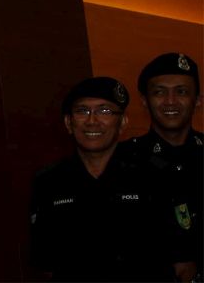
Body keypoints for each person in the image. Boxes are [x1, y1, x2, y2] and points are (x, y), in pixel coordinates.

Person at [29, 76, 195, 282]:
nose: (92, 121)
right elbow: (46, 265)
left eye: (105, 111)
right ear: (68, 123)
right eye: (82, 111)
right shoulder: (49, 182)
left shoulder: (157, 175)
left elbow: (184, 265)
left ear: (123, 122)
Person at [126, 53, 202, 280]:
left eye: (181, 91)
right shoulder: (123, 160)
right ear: (144, 101)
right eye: (159, 92)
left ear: (198, 100)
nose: (170, 101)